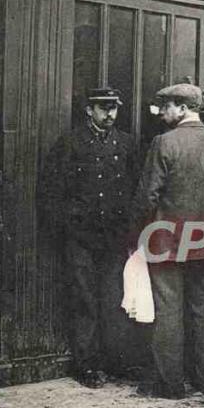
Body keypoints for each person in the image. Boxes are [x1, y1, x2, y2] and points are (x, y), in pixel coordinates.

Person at [135, 83, 204, 399]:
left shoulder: (163, 143)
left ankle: (170, 384)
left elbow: (146, 197)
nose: (162, 113)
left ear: (182, 108)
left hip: (167, 240)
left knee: (168, 309)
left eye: (166, 106)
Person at [42, 88, 140, 388]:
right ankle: (87, 365)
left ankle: (115, 362)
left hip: (113, 237)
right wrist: (67, 227)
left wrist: (129, 230)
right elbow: (51, 191)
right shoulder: (70, 143)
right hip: (81, 237)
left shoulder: (126, 144)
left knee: (112, 299)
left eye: (113, 108)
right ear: (89, 110)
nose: (109, 114)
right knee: (84, 300)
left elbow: (136, 188)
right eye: (103, 108)